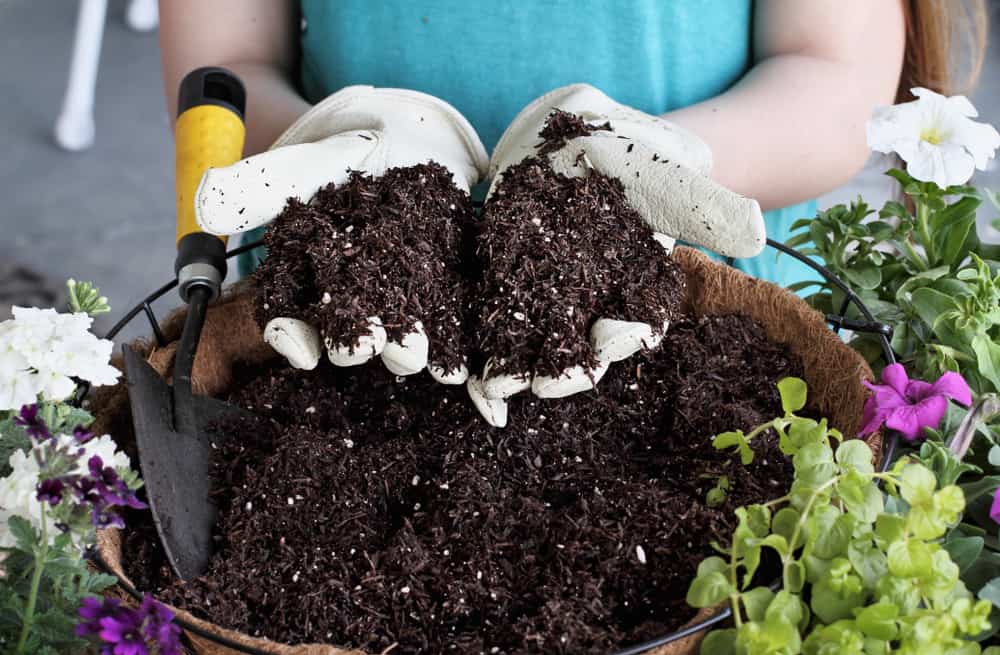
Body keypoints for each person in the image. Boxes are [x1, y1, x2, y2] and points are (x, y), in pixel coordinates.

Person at [159, 0, 987, 286]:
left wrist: (645, 160)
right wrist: (348, 155)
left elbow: (832, 72)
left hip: (689, 281)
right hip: (351, 265)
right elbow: (226, 62)